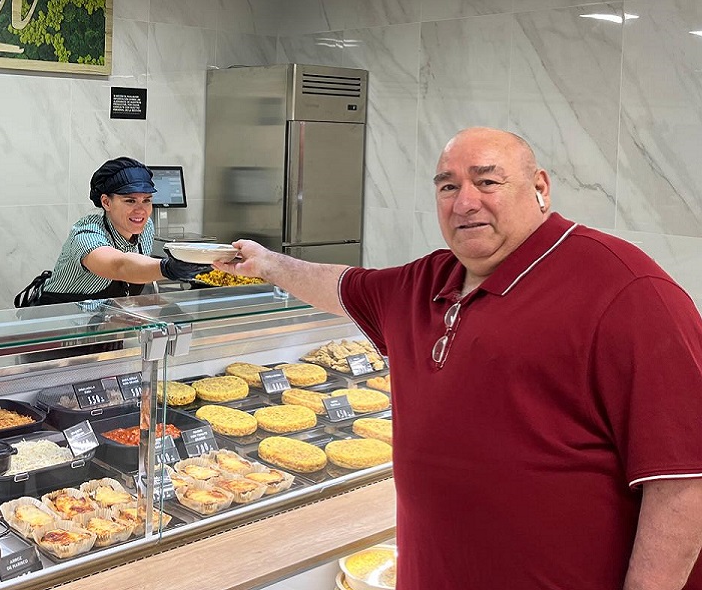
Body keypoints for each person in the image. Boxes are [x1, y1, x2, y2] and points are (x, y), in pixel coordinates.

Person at [217, 127, 702, 590]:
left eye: (487, 181)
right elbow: (343, 285)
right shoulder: (427, 282)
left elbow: (684, 479)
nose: (465, 202)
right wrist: (267, 264)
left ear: (540, 188)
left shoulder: (624, 289)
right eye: (448, 186)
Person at [15, 157, 207, 306]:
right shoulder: (86, 233)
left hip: (103, 331)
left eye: (146, 200)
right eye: (130, 201)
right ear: (106, 202)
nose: (141, 210)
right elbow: (119, 266)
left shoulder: (146, 228)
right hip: (58, 329)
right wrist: (167, 268)